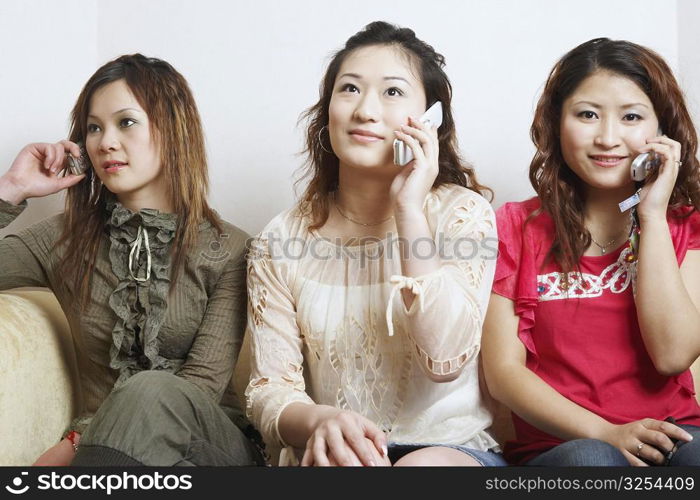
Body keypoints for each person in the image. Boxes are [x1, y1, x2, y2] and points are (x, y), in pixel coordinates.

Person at [244, 21, 503, 466]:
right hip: (335, 452)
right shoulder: (280, 239)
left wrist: (410, 209)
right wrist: (320, 421)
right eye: (349, 89)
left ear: (430, 120)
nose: (365, 110)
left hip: (447, 453)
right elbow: (269, 389)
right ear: (328, 111)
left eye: (393, 92)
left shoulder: (463, 215)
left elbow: (444, 361)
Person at [0, 54, 264, 466]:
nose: (105, 142)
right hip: (114, 458)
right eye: (93, 127)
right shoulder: (63, 239)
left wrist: (75, 442)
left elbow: (202, 385)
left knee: (151, 389)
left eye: (126, 122)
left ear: (173, 131)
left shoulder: (231, 249)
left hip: (210, 447)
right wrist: (12, 188)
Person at [482, 38, 700, 466]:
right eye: (587, 115)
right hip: (564, 445)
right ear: (556, 122)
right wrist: (607, 433)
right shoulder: (512, 227)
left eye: (631, 117)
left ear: (660, 131)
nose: (607, 138)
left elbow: (673, 354)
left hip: (674, 434)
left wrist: (652, 216)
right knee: (593, 461)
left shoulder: (683, 227)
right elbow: (504, 375)